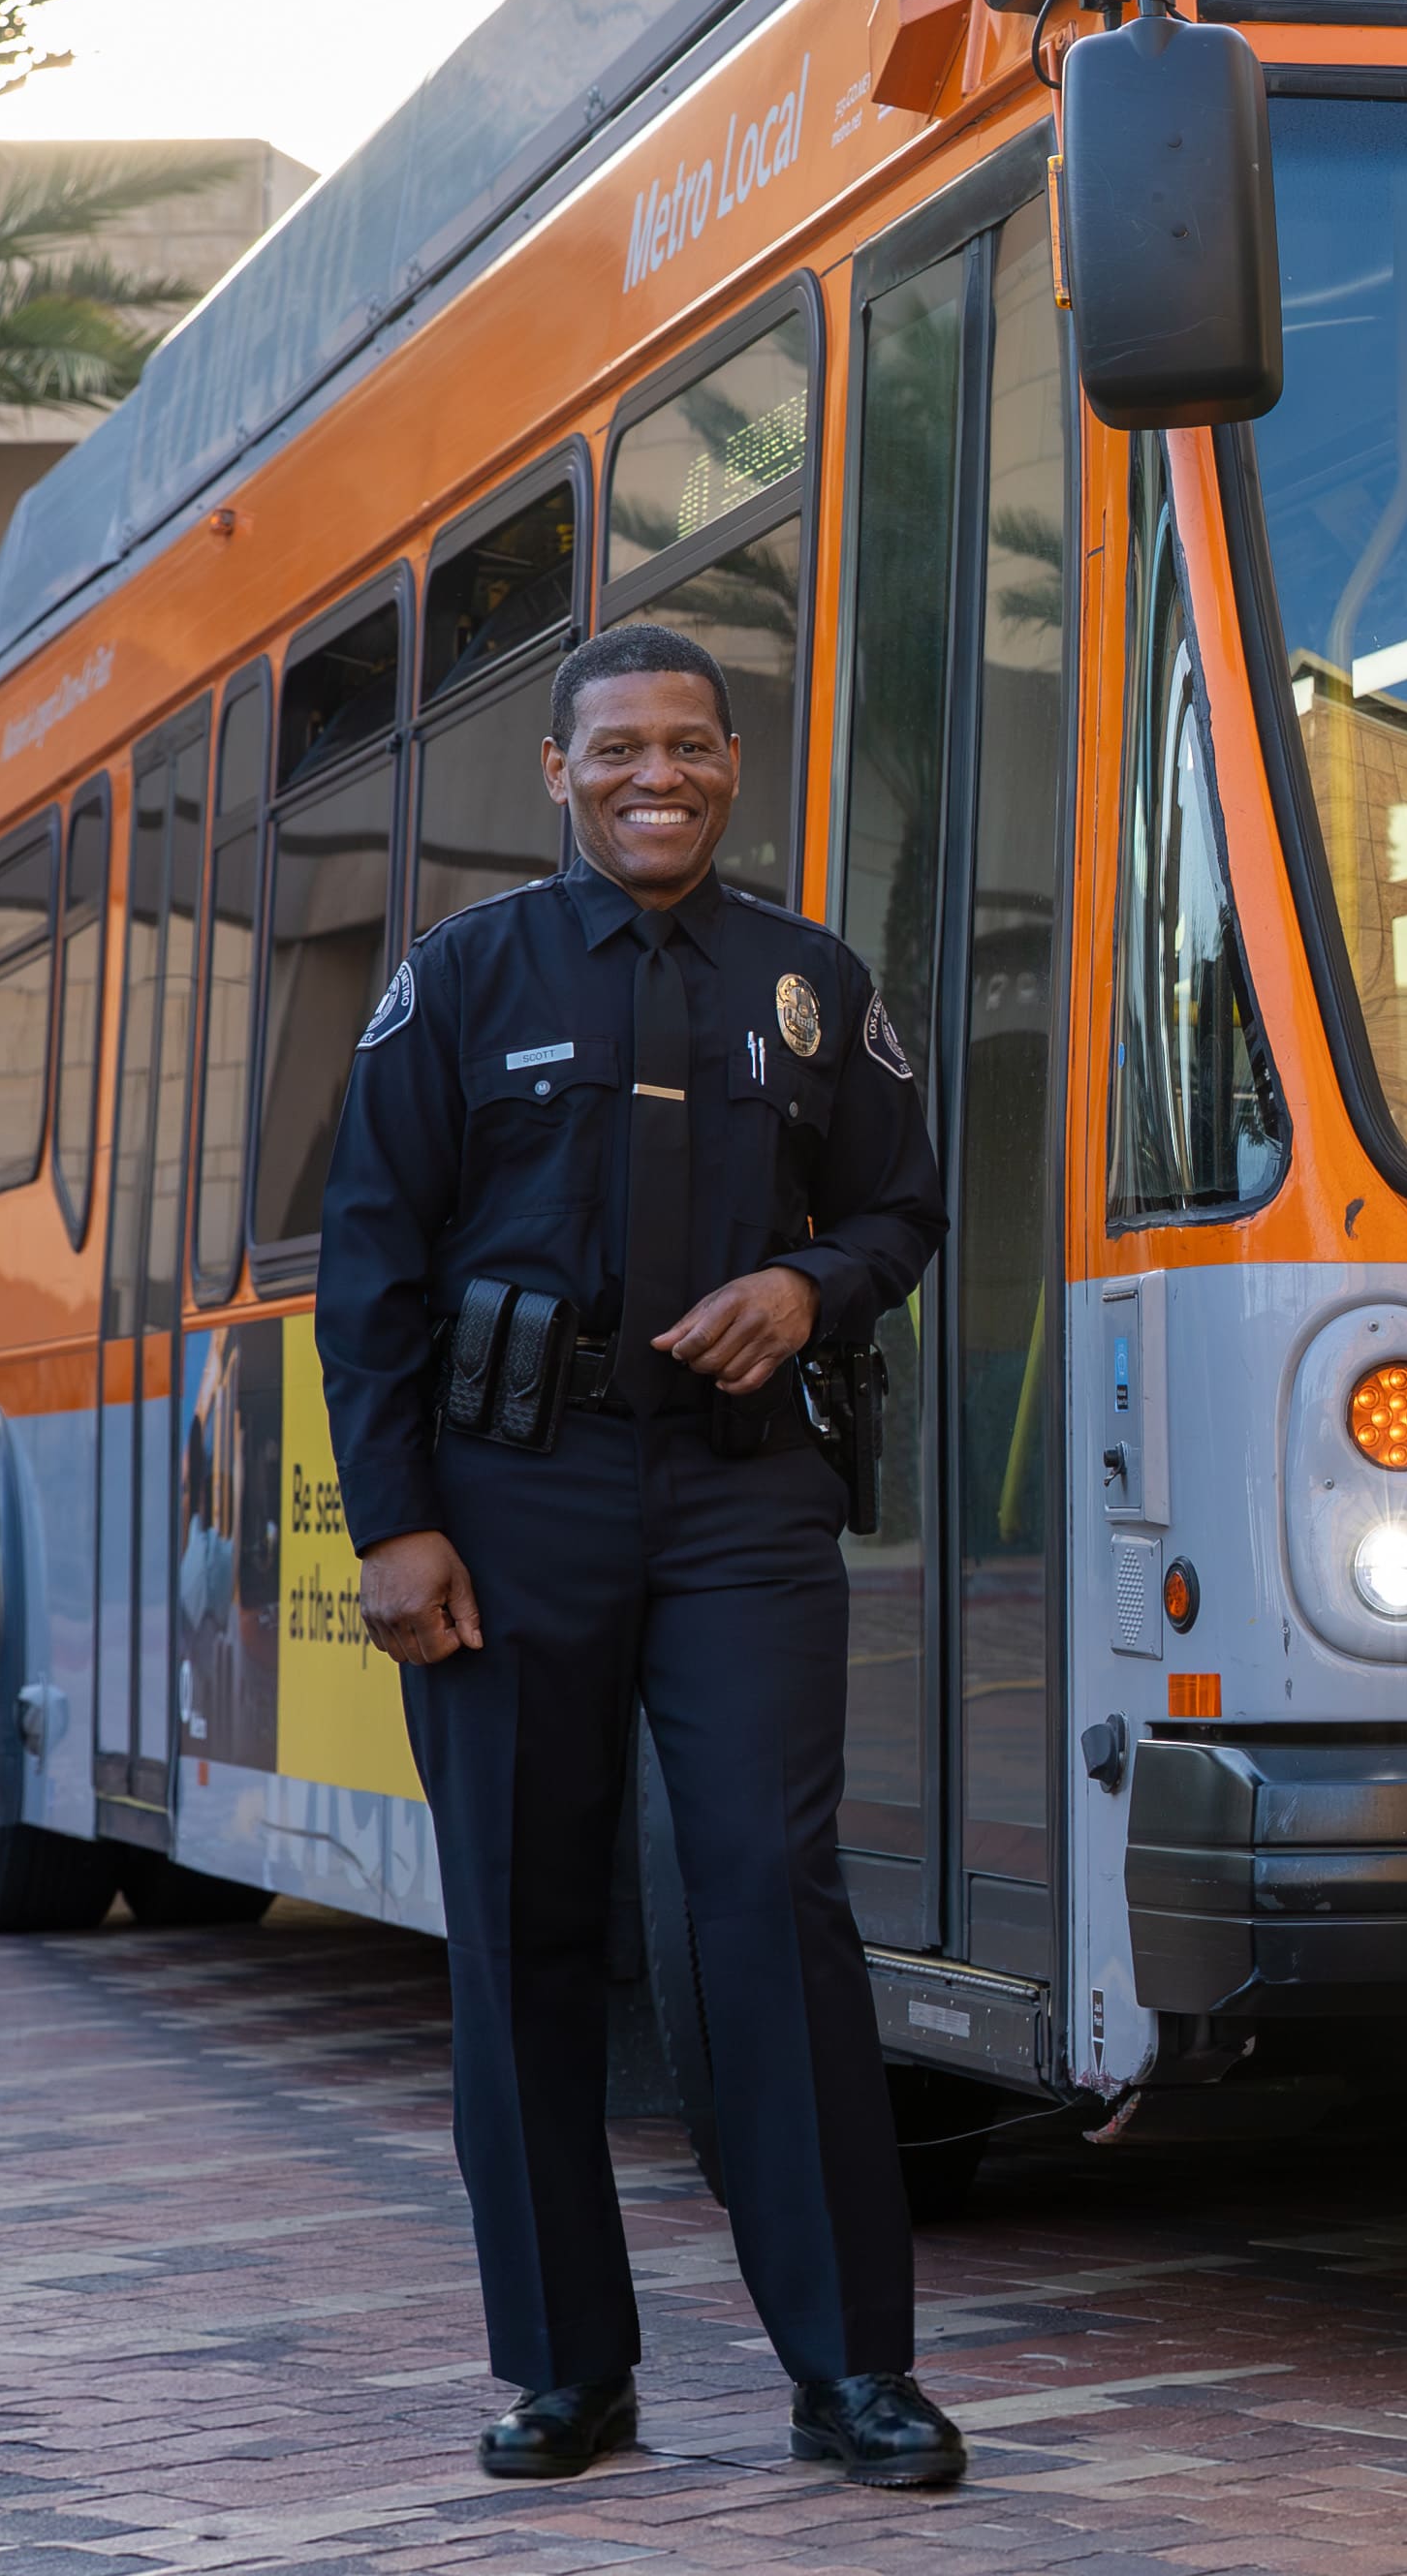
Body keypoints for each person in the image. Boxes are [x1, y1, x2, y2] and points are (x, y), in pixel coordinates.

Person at [318, 623, 965, 2492]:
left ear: (732, 767)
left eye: (688, 745)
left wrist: (809, 1281)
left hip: (745, 1490)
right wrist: (396, 1523)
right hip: (513, 1495)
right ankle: (565, 2371)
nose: (653, 775)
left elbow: (905, 1207)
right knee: (525, 1924)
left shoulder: (812, 987)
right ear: (559, 771)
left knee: (774, 1896)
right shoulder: (459, 981)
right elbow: (372, 1270)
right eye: (618, 749)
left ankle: (852, 2374)